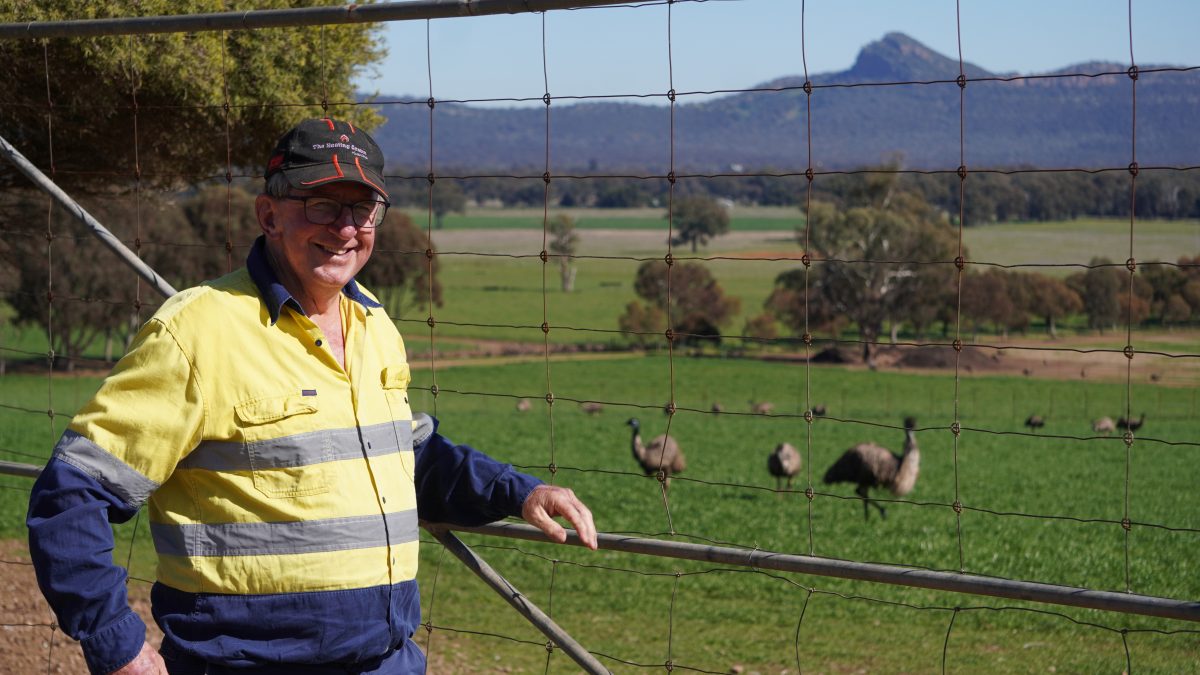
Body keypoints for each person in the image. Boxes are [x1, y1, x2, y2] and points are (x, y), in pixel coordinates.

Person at [26, 117, 598, 675]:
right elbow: (72, 495)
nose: (346, 227)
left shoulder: (373, 325)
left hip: (388, 660)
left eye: (361, 208)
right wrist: (117, 647)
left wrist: (519, 492)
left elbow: (404, 457)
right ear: (268, 214)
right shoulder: (197, 332)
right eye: (322, 204)